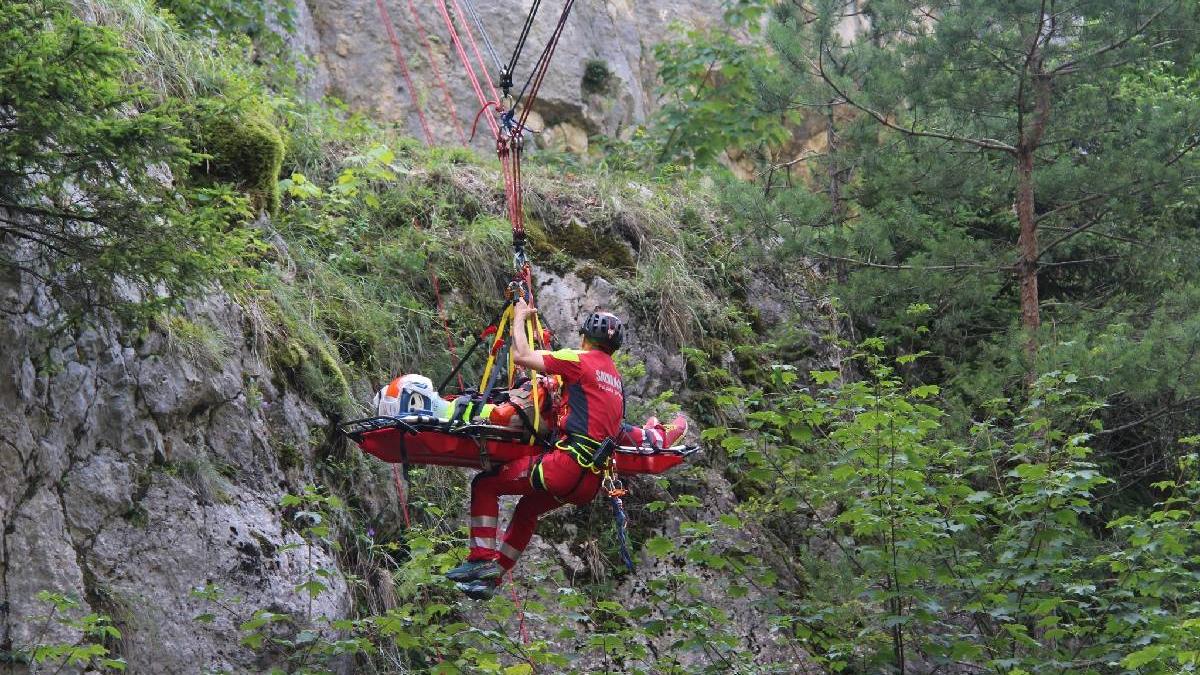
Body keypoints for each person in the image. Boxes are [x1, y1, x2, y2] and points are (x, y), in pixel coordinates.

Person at [446, 300, 627, 599]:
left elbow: (521, 355)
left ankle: (480, 560)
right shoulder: (616, 381)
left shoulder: (580, 359)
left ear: (585, 337)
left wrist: (519, 317)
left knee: (486, 485)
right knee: (528, 509)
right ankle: (493, 578)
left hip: (565, 467)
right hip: (589, 482)